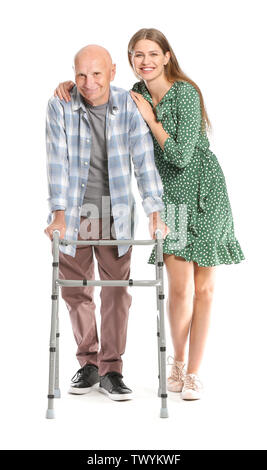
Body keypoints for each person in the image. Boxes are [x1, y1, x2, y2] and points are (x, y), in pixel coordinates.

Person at [53, 29, 245, 401]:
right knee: (178, 289)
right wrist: (70, 84)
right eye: (137, 55)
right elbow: (96, 85)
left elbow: (180, 157)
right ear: (127, 63)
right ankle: (175, 361)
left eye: (153, 53)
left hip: (203, 192)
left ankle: (192, 372)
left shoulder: (184, 94)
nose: (145, 61)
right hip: (170, 197)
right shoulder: (133, 95)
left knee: (203, 289)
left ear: (167, 56)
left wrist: (150, 119)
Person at [44, 44, 169, 401]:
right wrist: (59, 215)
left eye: (97, 74)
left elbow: (144, 161)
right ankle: (89, 363)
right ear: (73, 72)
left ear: (113, 71)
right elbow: (56, 161)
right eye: (81, 74)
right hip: (76, 211)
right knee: (74, 290)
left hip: (114, 212)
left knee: (116, 291)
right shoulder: (60, 104)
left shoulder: (127, 105)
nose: (88, 82)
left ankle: (112, 369)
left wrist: (155, 212)